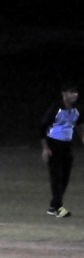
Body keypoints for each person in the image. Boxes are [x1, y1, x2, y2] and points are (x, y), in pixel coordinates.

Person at [40, 81, 84, 218]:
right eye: (71, 92)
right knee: (56, 178)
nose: (75, 95)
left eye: (76, 92)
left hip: (67, 147)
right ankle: (59, 208)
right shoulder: (56, 109)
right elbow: (43, 127)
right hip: (54, 146)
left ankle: (54, 205)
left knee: (65, 178)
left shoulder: (76, 109)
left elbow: (80, 124)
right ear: (64, 94)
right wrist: (45, 148)